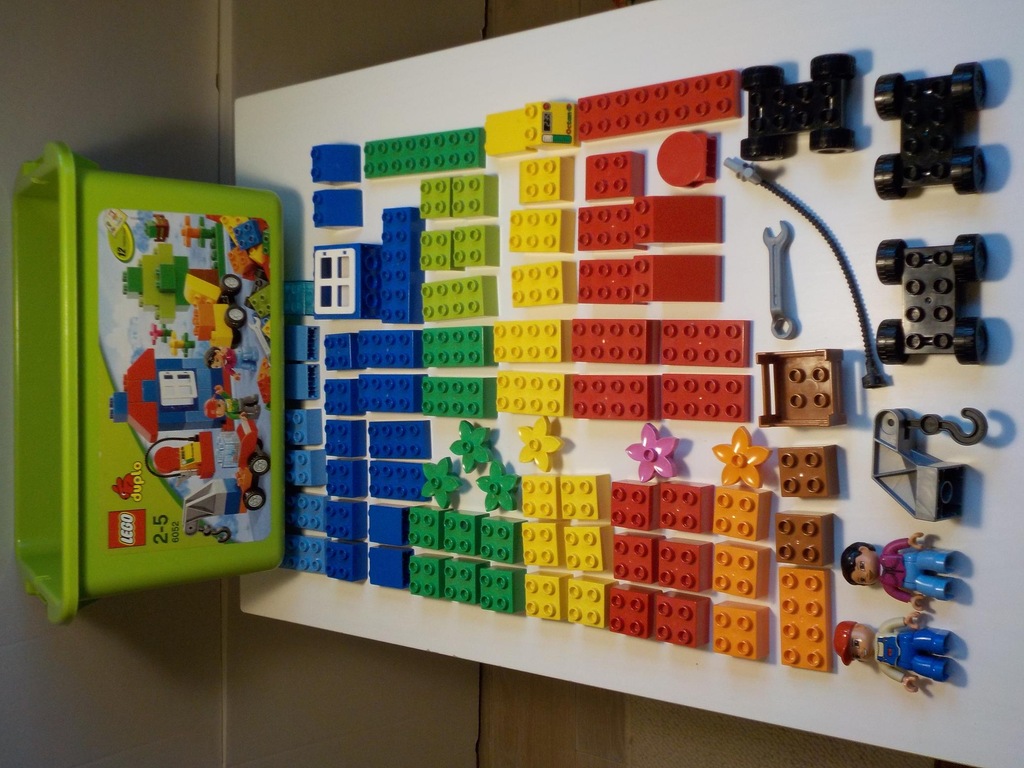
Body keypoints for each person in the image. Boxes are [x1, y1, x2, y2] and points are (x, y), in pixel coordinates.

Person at [834, 612, 951, 693]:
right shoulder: (881, 664)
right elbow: (891, 672)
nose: (859, 651)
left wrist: (906, 621)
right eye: (856, 655)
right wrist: (905, 679)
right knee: (922, 666)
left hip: (909, 640)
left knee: (922, 638)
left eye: (855, 643)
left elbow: (891, 624)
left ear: (861, 627)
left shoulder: (883, 630)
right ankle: (938, 669)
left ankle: (939, 641)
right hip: (910, 662)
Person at [840, 533, 955, 608]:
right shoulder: (887, 586)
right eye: (862, 579)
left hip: (914, 560)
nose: (866, 574)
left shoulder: (887, 552)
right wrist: (911, 598)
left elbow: (895, 546)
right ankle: (944, 589)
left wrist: (909, 542)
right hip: (916, 582)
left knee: (927, 558)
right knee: (931, 587)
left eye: (862, 566)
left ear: (864, 550)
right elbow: (896, 593)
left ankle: (944, 560)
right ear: (865, 584)